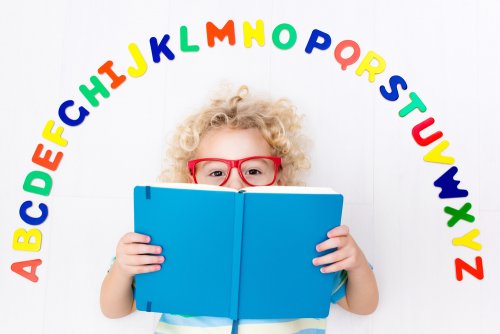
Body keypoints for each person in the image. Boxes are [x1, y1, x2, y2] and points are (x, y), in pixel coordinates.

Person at [100, 85, 379, 333]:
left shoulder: (306, 239)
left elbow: (362, 305)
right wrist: (123, 268)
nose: (235, 181)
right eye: (217, 171)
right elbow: (114, 309)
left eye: (254, 169)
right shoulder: (170, 235)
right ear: (192, 179)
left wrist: (355, 262)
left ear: (279, 176)